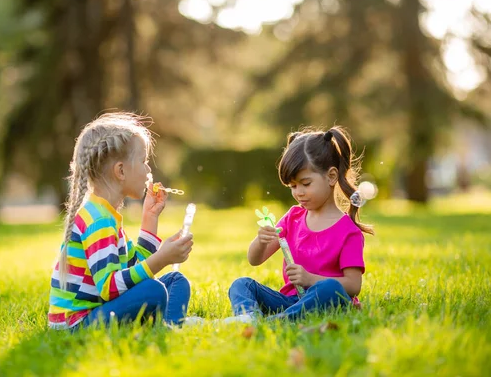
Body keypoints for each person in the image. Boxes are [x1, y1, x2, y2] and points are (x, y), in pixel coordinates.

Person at [48, 113, 194, 330]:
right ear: (121, 171)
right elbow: (110, 287)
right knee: (153, 290)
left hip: (100, 310)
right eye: (143, 161)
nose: (148, 170)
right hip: (78, 323)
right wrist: (162, 259)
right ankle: (165, 325)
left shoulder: (106, 214)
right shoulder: (98, 221)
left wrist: (149, 218)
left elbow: (133, 270)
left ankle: (166, 325)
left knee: (176, 281)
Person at [227, 126, 374, 322]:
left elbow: (353, 285)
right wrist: (261, 241)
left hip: (326, 300)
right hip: (290, 300)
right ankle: (249, 318)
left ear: (331, 176)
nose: (298, 193)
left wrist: (310, 279)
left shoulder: (349, 231)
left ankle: (278, 320)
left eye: (305, 184)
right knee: (241, 285)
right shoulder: (293, 217)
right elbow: (255, 260)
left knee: (329, 288)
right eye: (293, 186)